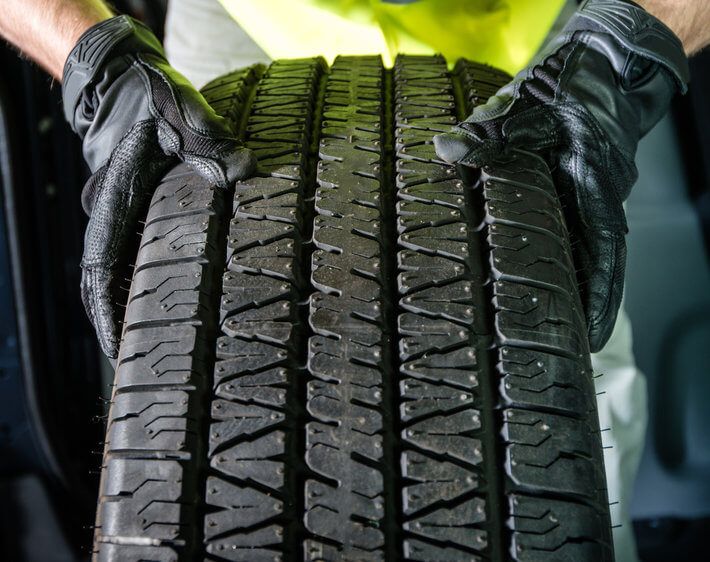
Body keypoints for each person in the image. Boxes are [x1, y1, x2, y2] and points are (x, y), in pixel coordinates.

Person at [0, 1, 707, 560]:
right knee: (201, 352)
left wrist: (619, 56)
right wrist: (98, 63)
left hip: (534, 25)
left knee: (557, 356)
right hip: (248, 16)